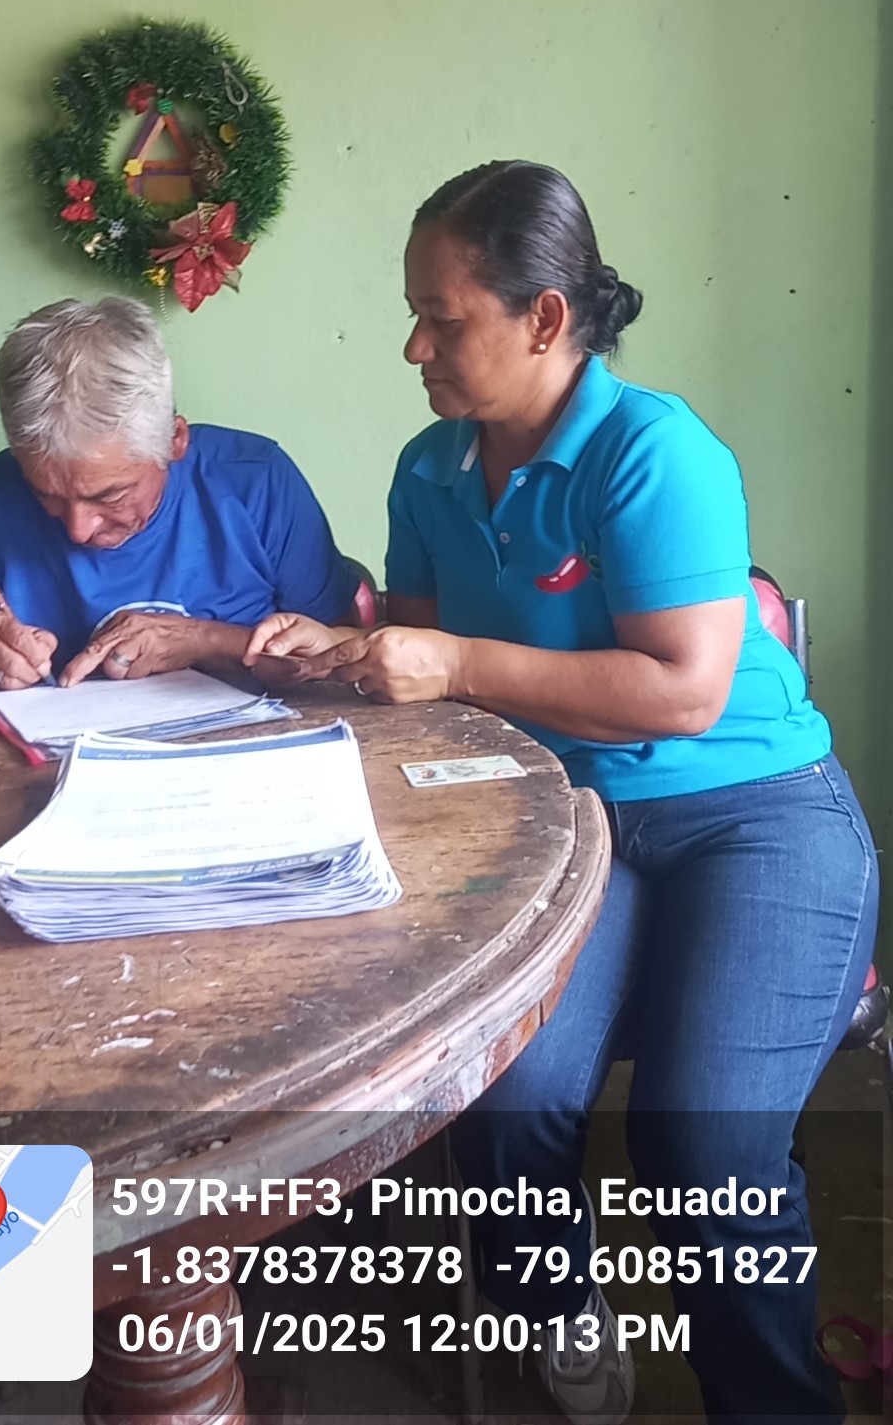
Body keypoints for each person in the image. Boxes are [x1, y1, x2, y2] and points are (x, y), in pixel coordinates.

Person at [245, 161, 880, 1423]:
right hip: (563, 817)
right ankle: (555, 1311)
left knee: (702, 1145)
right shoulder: (429, 470)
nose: (414, 346)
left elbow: (684, 692)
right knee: (509, 1096)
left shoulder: (654, 450)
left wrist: (452, 660)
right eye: (413, 313)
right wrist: (341, 657)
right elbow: (425, 677)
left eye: (442, 317)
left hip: (751, 811)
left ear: (544, 316)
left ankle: (775, 1402)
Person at [0, 296, 359, 690]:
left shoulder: (255, 483)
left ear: (174, 441)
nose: (77, 529)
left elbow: (342, 653)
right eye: (47, 495)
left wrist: (203, 640)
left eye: (110, 496)